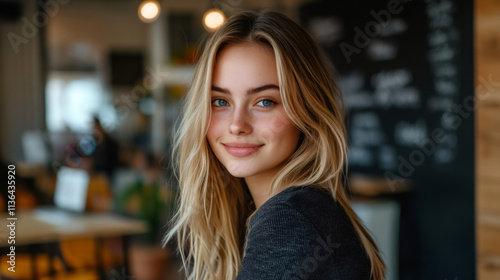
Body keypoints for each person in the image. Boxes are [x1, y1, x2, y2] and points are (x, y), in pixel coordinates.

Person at [165, 10, 386, 280]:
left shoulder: (291, 219)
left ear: (308, 111)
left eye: (265, 101)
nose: (237, 125)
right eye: (220, 102)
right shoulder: (295, 210)